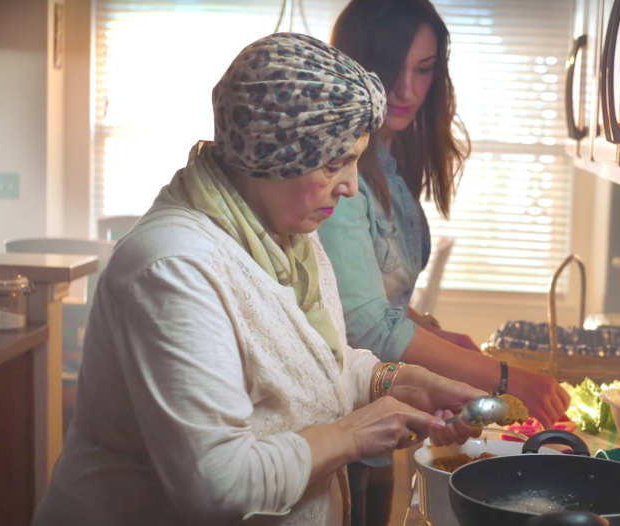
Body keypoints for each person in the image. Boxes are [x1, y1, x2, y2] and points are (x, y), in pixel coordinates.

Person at [32, 33, 484, 526]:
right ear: (272, 158)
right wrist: (353, 434)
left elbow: (304, 362)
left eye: (356, 159)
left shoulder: (283, 231)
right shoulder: (172, 268)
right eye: (336, 163)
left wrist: (394, 382)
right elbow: (217, 485)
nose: (352, 186)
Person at [317, 1, 571, 524]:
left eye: (425, 69)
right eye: (391, 70)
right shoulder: (340, 168)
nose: (407, 90)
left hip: (375, 421)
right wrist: (505, 378)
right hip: (334, 433)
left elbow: (364, 294)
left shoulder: (386, 159)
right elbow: (363, 323)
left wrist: (427, 329)